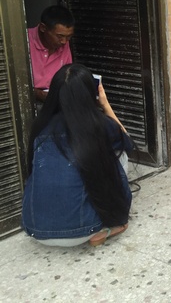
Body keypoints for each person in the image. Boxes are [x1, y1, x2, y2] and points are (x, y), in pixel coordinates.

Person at [21, 64, 133, 247]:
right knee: (119, 154)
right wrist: (105, 105)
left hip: (36, 230)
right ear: (90, 93)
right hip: (82, 231)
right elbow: (127, 142)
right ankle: (110, 225)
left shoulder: (40, 126)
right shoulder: (99, 124)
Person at [27, 5, 75, 102]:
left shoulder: (63, 43)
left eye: (68, 37)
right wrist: (37, 93)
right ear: (43, 28)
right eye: (59, 36)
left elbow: (67, 74)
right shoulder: (24, 41)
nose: (64, 41)